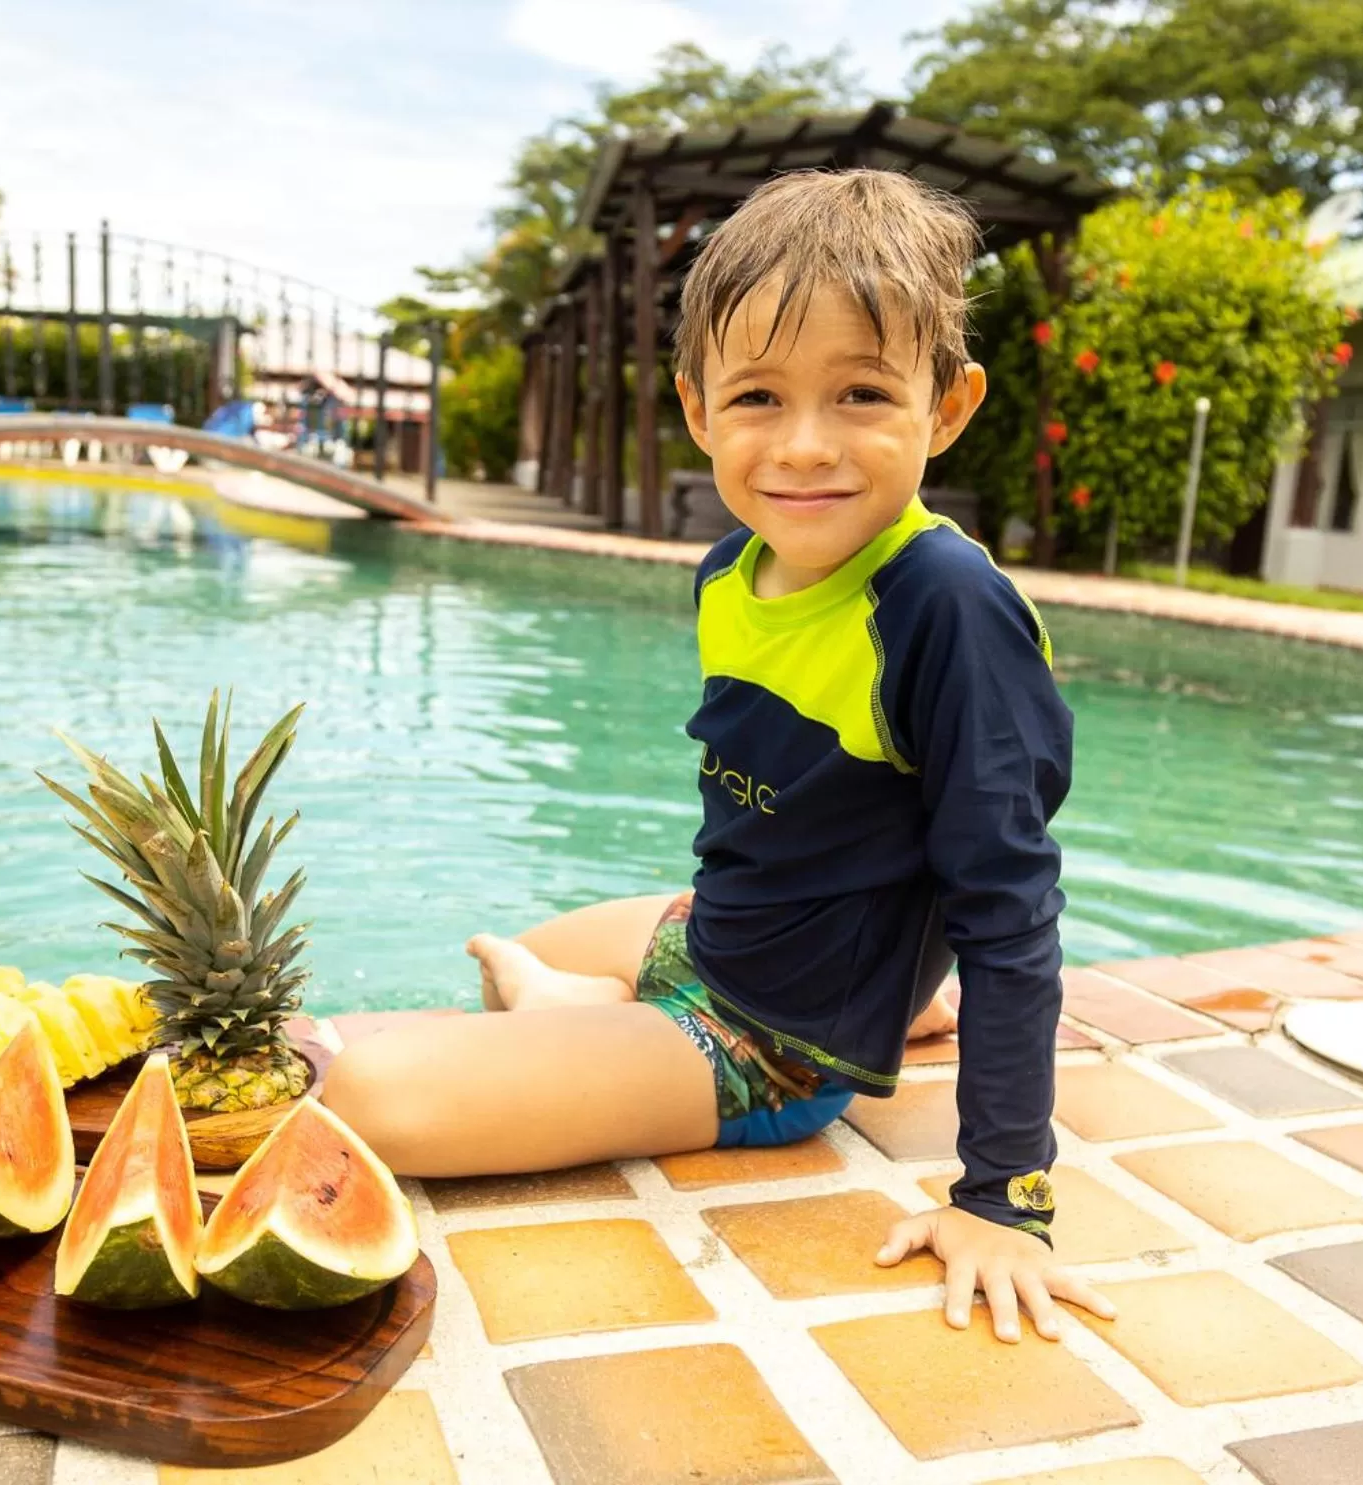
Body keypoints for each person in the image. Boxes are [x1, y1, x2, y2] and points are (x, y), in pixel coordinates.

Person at [322, 167, 1117, 1345]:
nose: (803, 448)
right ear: (697, 411)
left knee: (359, 1099)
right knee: (512, 959)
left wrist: (1005, 1198)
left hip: (773, 1042)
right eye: (757, 397)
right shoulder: (730, 572)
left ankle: (641, 1026)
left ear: (944, 408)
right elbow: (809, 815)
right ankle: (587, 1006)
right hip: (715, 933)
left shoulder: (941, 607)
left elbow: (1006, 902)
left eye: (859, 392)